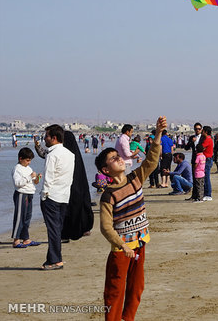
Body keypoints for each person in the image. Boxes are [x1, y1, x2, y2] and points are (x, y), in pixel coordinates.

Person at [95, 116, 166, 321]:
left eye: (117, 155)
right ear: (106, 170)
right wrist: (122, 246)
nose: (118, 158)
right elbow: (106, 227)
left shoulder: (136, 177)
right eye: (113, 158)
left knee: (136, 287)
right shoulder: (108, 195)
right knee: (114, 291)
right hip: (121, 250)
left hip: (140, 243)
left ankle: (128, 318)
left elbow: (151, 160)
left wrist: (158, 133)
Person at [40, 124, 75, 270]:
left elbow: (48, 177)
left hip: (52, 196)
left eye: (46, 136)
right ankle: (51, 259)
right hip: (63, 195)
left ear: (54, 138)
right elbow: (70, 177)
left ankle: (56, 260)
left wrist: (44, 195)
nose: (44, 139)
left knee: (53, 229)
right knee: (56, 228)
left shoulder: (52, 154)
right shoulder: (69, 154)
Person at [61, 131, 94, 241]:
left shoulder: (65, 154)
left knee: (69, 207)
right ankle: (84, 227)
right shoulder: (76, 154)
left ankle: (67, 232)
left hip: (69, 186)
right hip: (79, 185)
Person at [12, 147, 42, 248]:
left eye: (30, 160)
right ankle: (16, 240)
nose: (29, 162)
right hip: (21, 194)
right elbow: (17, 183)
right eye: (27, 160)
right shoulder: (17, 169)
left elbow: (35, 182)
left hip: (30, 193)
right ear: (21, 159)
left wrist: (37, 177)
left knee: (27, 217)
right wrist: (29, 177)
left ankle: (26, 239)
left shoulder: (28, 168)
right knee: (20, 217)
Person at [200, 126, 214, 201]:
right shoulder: (207, 139)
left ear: (205, 132)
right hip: (206, 159)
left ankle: (208, 194)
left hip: (207, 159)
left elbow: (201, 147)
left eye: (202, 131)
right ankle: (205, 193)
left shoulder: (208, 139)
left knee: (206, 177)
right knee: (205, 177)